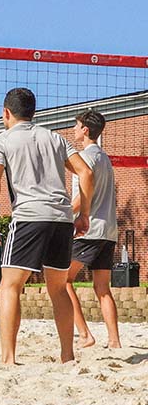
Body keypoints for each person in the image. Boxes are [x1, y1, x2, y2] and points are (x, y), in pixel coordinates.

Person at [0, 88, 93, 364]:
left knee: (9, 286)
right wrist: (84, 215)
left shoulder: (1, 141)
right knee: (58, 289)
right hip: (60, 218)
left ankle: (8, 359)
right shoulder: (55, 138)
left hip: (29, 216)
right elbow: (86, 172)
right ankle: (67, 356)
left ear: (5, 113)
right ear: (33, 112)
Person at [66, 110, 121, 349]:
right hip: (109, 230)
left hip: (90, 229)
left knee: (62, 282)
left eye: (76, 126)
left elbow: (83, 196)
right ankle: (115, 341)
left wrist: (64, 214)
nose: (74, 130)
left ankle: (85, 334)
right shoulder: (105, 158)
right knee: (102, 289)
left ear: (85, 130)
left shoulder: (86, 157)